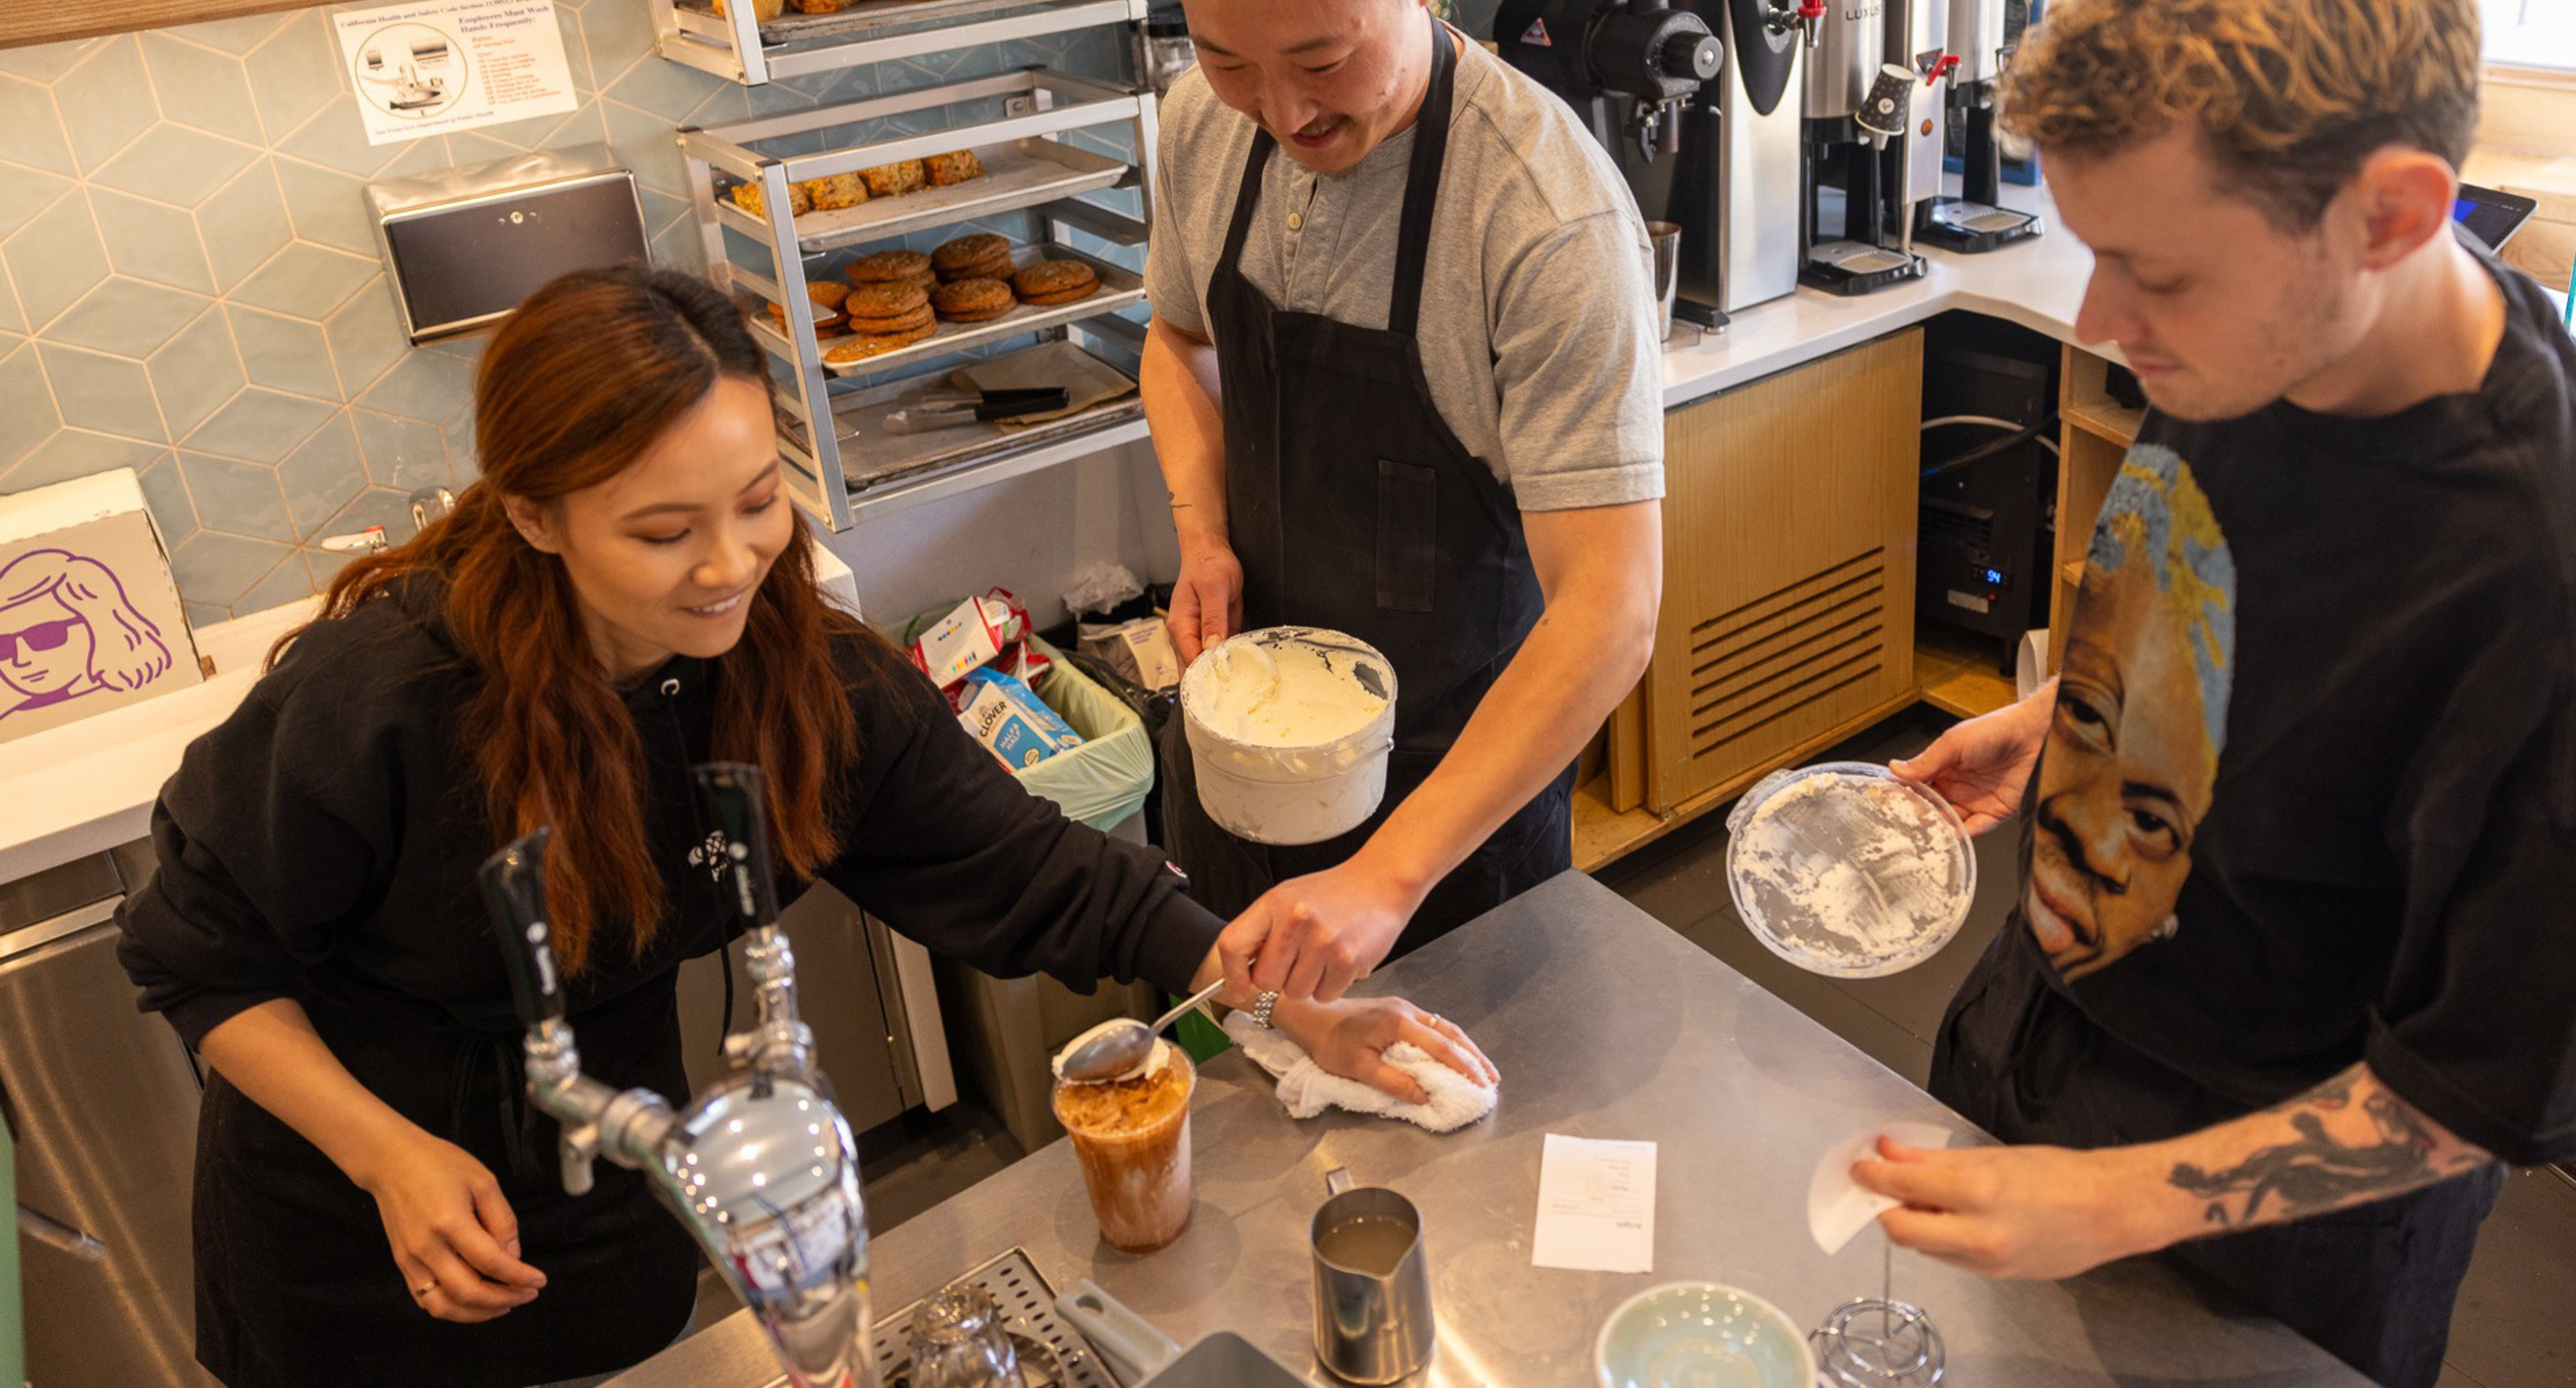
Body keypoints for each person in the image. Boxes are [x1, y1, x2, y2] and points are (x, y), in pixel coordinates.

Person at [115, 267, 1492, 1388]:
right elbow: (197, 955)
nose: (728, 567)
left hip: (608, 1202)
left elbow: (1035, 870)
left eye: (759, 505)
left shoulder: (795, 680)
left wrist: (1276, 1002)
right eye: (663, 533)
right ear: (534, 515)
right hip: (352, 1234)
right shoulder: (387, 702)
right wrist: (389, 1156)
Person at [1860, 0, 2576, 1388]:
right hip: (2045, 1017)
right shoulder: (2267, 331)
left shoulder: (2567, 598)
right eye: (2095, 251)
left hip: (2276, 1207)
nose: (2105, 320)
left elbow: (2491, 1082)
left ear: (2389, 213)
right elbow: (2244, 610)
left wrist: (2120, 1196)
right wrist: (2070, 713)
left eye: (2158, 273)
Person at [1138, 0, 1666, 1000]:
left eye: (1321, 59)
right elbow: (1173, 344)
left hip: (1451, 827)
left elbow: (1610, 610)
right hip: (1242, 768)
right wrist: (1203, 530)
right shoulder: (1200, 128)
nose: (1280, 113)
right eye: (1225, 57)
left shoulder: (1542, 217)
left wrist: (1388, 876)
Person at [0, 546, 176, 724]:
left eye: (45, 636)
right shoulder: (13, 720)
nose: (21, 660)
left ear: (98, 622)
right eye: (4, 646)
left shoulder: (154, 696)